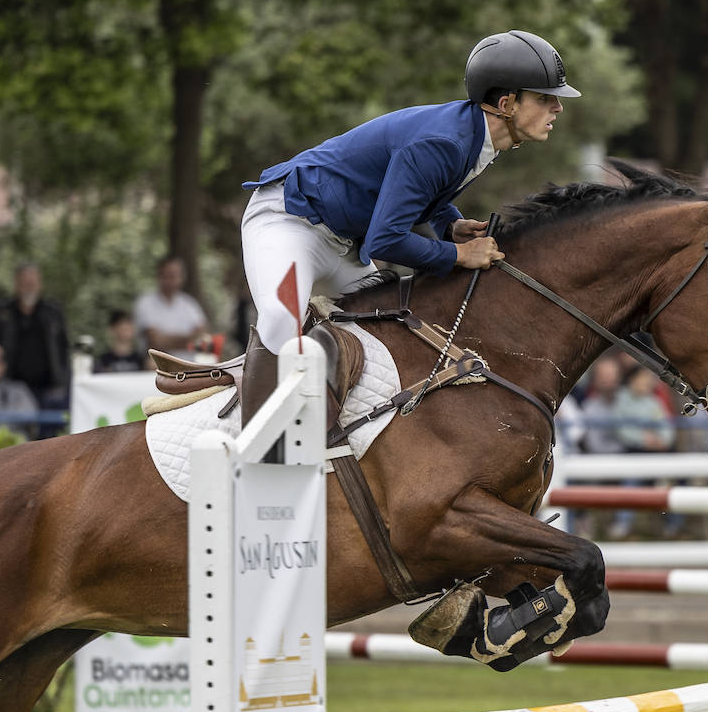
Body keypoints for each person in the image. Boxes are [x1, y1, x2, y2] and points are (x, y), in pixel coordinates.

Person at [236, 29, 580, 427]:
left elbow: (421, 194)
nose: (557, 107)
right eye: (545, 97)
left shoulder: (476, 136)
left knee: (391, 333)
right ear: (506, 104)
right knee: (281, 317)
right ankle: (255, 449)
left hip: (344, 246)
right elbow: (387, 238)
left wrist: (449, 225)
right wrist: (458, 255)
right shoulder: (445, 141)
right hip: (289, 221)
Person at [0, 262, 70, 429]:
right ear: (16, 284)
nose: (29, 288)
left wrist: (63, 380)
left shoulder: (52, 312)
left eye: (33, 283)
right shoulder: (3, 312)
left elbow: (64, 349)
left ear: (40, 285)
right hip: (12, 384)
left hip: (48, 387)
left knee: (48, 434)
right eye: (25, 283)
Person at [133, 256, 208, 354]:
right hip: (157, 366)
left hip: (190, 365)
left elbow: (204, 339)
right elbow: (156, 342)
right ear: (159, 276)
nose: (171, 280)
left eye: (175, 275)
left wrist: (167, 338)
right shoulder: (145, 303)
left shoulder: (190, 304)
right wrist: (190, 339)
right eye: (167, 275)